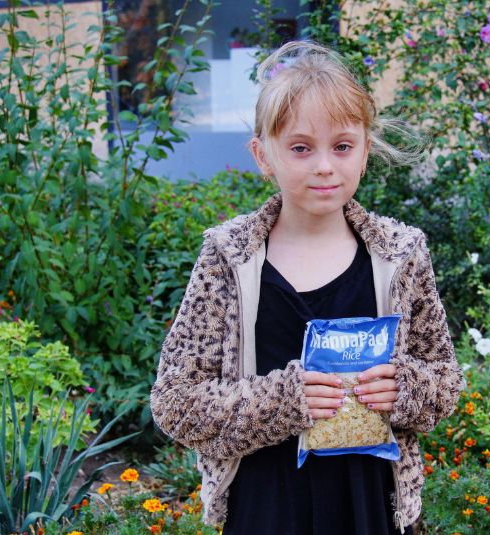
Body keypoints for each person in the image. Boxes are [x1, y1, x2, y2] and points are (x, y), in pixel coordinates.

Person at [150, 41, 464, 535]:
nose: (324, 165)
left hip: (369, 502)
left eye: (342, 146)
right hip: (265, 504)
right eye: (301, 147)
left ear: (364, 152)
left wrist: (403, 388)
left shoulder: (400, 256)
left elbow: (444, 381)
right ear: (263, 155)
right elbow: (175, 401)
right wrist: (283, 400)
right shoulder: (229, 259)